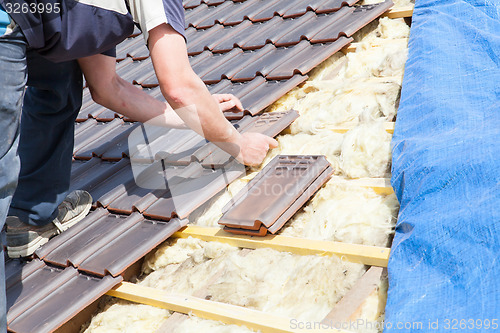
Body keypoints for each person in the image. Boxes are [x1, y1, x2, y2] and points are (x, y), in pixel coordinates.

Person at [0, 0, 277, 327]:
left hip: (35, 24)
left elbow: (108, 89)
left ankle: (33, 217)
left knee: (60, 75)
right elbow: (178, 86)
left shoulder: (87, 15)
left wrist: (197, 115)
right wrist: (237, 143)